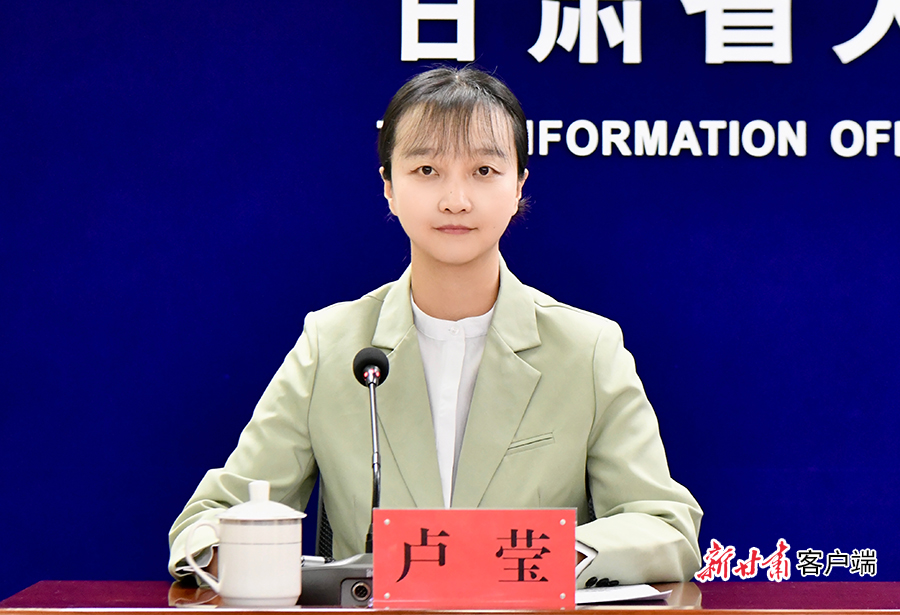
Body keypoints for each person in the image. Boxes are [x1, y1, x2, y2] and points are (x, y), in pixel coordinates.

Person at [169, 66, 702, 586]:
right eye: (427, 170)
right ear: (388, 186)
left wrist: (539, 556)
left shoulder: (587, 350)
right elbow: (211, 517)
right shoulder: (331, 345)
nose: (455, 200)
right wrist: (222, 554)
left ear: (519, 185)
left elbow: (666, 527)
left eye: (484, 171)